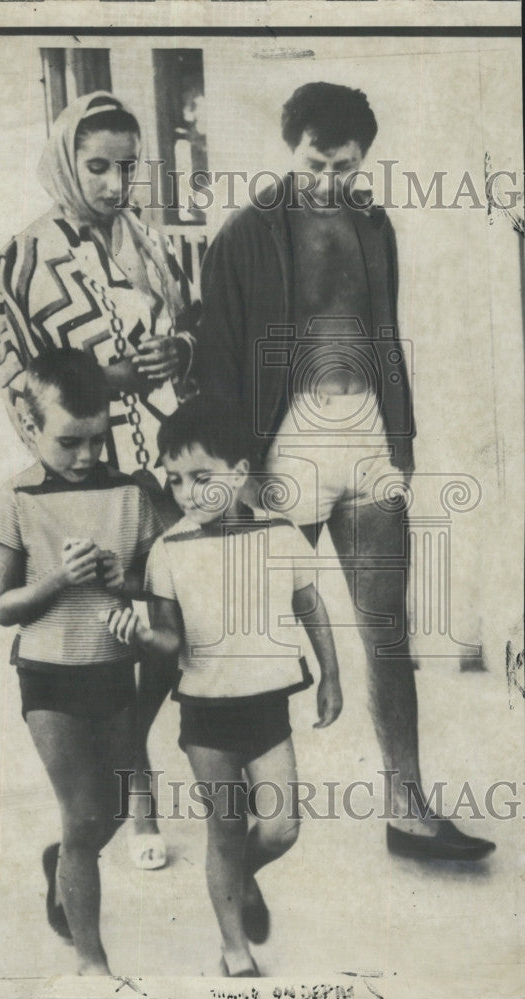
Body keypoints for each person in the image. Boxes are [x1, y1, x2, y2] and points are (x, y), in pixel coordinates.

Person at [194, 82, 495, 861]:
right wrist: (234, 469)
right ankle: (240, 810)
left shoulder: (373, 223)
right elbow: (218, 360)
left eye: (346, 164)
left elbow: (381, 331)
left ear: (365, 158)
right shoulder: (245, 232)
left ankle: (407, 810)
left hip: (366, 438)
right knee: (249, 630)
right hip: (283, 444)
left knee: (387, 632)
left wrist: (402, 441)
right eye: (316, 163)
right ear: (290, 150)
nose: (330, 179)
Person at [0, 90, 198, 872]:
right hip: (90, 468)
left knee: (166, 625)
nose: (114, 184)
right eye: (98, 166)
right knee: (106, 628)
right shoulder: (25, 252)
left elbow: (186, 321)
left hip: (159, 462)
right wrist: (98, 385)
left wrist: (175, 353)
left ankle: (129, 759)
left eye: (126, 167)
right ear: (67, 162)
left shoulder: (147, 241)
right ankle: (129, 803)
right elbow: (19, 378)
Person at [102, 397, 343, 977]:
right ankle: (235, 950)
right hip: (207, 716)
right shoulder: (168, 551)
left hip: (267, 708)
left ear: (240, 472)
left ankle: (241, 878)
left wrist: (331, 675)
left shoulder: (281, 535)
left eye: (202, 477)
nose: (186, 493)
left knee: (282, 828)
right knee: (226, 830)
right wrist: (138, 635)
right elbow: (169, 641)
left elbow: (312, 607)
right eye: (175, 480)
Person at [0, 348, 164, 975]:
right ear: (29, 427)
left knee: (107, 813)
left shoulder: (129, 494)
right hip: (49, 673)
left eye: (98, 438)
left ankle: (61, 861)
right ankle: (93, 963)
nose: (87, 456)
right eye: (68, 441)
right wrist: (58, 579)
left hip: (113, 668)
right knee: (82, 812)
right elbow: (4, 608)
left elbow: (151, 585)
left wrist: (124, 579)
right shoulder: (16, 499)